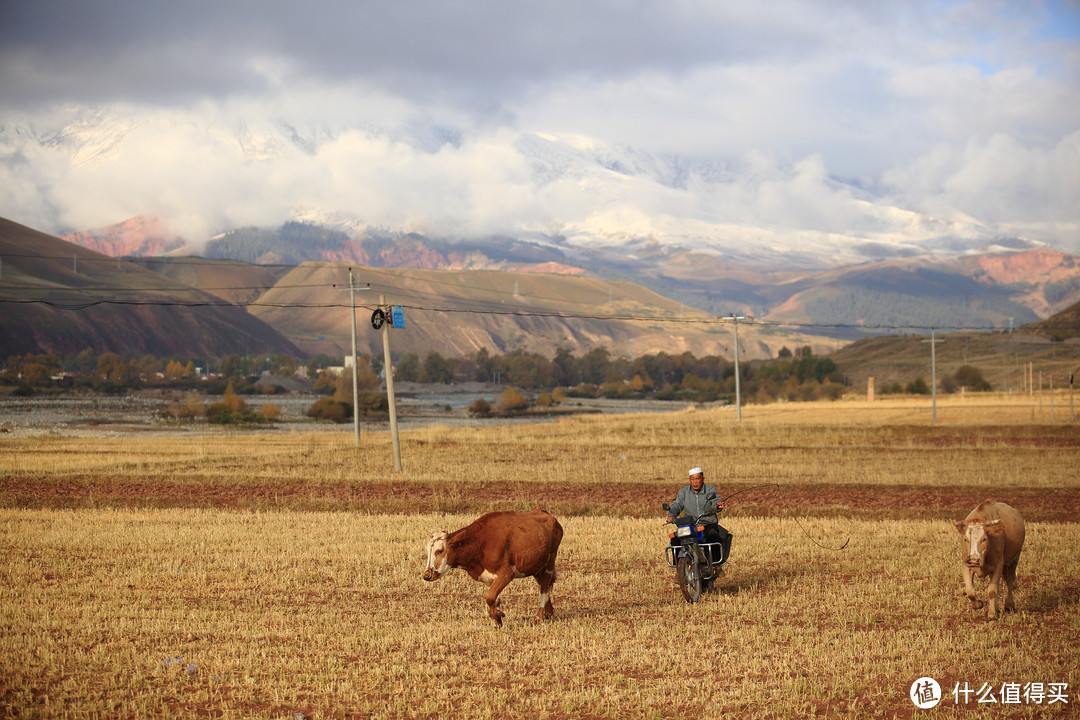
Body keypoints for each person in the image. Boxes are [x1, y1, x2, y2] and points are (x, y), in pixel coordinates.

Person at [666, 466, 732, 567]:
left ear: (703, 479)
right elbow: (677, 505)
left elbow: (714, 500)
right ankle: (678, 568)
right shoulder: (683, 492)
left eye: (697, 479)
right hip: (690, 525)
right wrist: (672, 514)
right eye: (692, 479)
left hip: (708, 523)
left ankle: (716, 565)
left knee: (713, 536)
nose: (695, 482)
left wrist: (717, 505)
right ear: (689, 480)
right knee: (675, 539)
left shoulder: (710, 490)